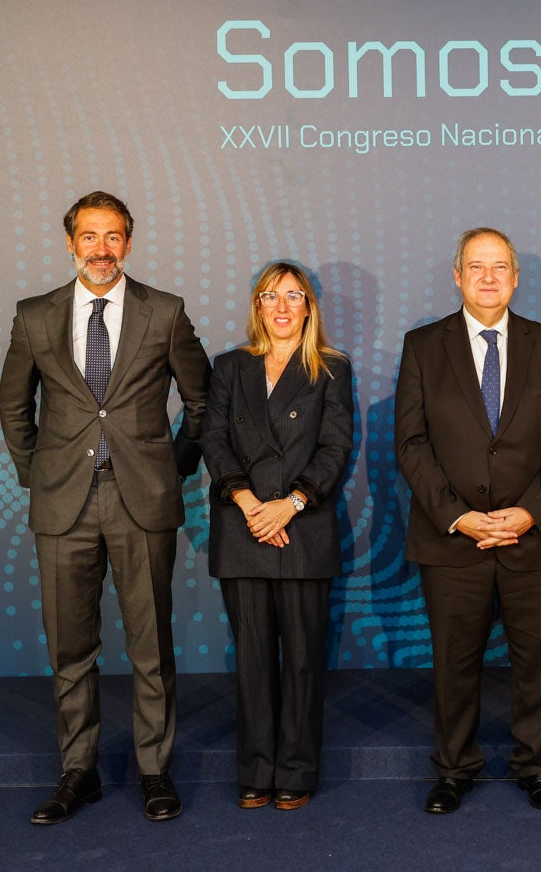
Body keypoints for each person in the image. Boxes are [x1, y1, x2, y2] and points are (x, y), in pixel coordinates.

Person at [0, 190, 211, 824]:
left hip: (141, 500)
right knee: (70, 648)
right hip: (61, 505)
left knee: (151, 647)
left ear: (128, 242)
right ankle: (78, 772)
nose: (101, 249)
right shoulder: (35, 315)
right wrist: (39, 478)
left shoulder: (164, 312)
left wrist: (169, 468)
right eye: (89, 236)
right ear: (70, 243)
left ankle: (153, 770)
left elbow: (201, 404)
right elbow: (15, 407)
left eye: (113, 236)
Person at [394, 228, 541, 813]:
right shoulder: (423, 346)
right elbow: (411, 443)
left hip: (532, 535)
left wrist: (530, 512)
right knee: (454, 663)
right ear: (457, 276)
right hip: (454, 540)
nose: (488, 278)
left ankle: (536, 766)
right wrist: (459, 517)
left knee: (538, 662)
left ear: (516, 277)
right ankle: (454, 770)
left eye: (499, 267)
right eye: (476, 267)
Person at [200, 263, 354, 811]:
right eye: (272, 296)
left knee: (304, 661)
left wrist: (288, 506)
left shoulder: (331, 369)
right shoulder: (229, 367)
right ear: (257, 306)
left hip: (303, 528)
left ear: (309, 306)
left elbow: (336, 448)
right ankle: (255, 770)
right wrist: (247, 502)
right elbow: (213, 440)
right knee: (254, 663)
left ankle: (296, 770)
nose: (283, 306)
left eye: (294, 296)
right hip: (242, 530)